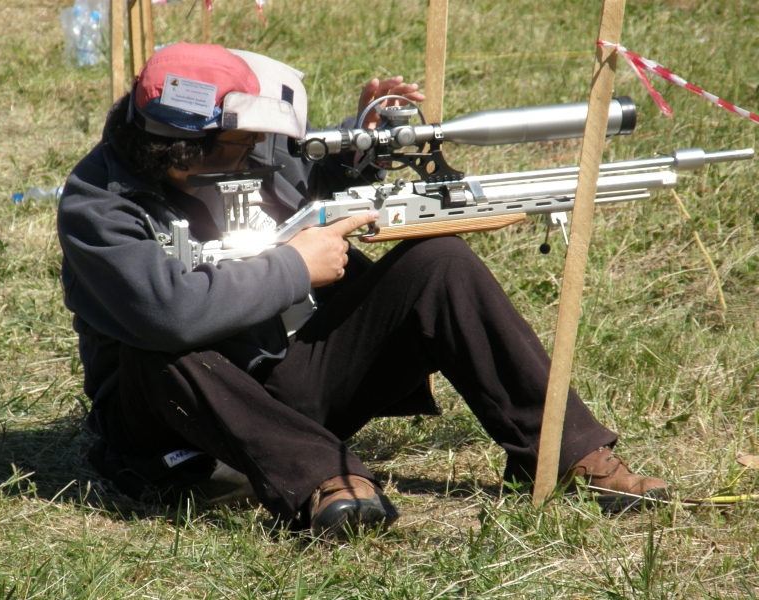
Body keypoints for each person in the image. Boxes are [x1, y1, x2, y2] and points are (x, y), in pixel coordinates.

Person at [57, 43, 669, 539]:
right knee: (163, 344)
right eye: (238, 145)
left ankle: (561, 451)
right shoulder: (96, 206)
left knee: (440, 263)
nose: (254, 155)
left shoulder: (235, 145)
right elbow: (168, 311)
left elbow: (308, 175)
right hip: (175, 413)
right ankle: (322, 475)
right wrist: (297, 268)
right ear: (181, 153)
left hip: (286, 365)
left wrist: (361, 146)